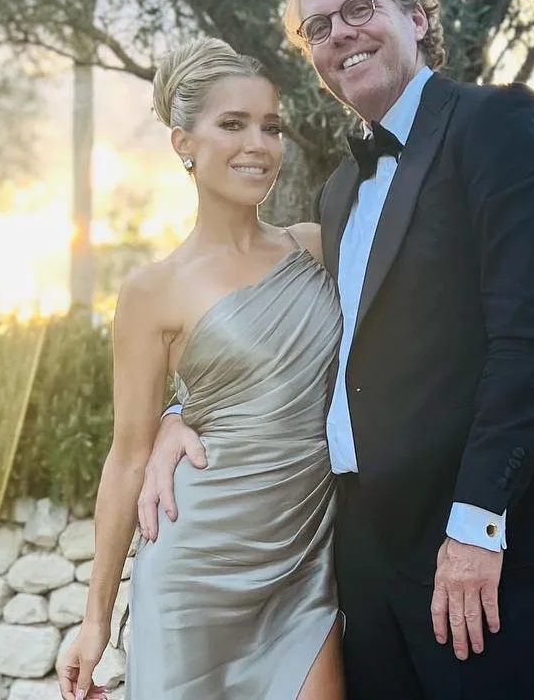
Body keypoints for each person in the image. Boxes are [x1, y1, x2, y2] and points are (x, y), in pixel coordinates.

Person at [138, 0, 534, 699]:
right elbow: (291, 339)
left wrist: (478, 524)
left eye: (359, 9)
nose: (339, 34)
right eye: (318, 27)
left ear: (417, 16)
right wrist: (181, 410)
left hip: (465, 530)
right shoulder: (337, 194)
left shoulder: (500, 124)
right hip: (358, 540)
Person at [57, 37, 346, 700]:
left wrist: (178, 412)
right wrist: (95, 621)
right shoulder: (151, 290)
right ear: (183, 144)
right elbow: (127, 459)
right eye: (233, 124)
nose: (258, 145)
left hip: (306, 566)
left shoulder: (317, 250)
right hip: (194, 570)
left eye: (271, 127)